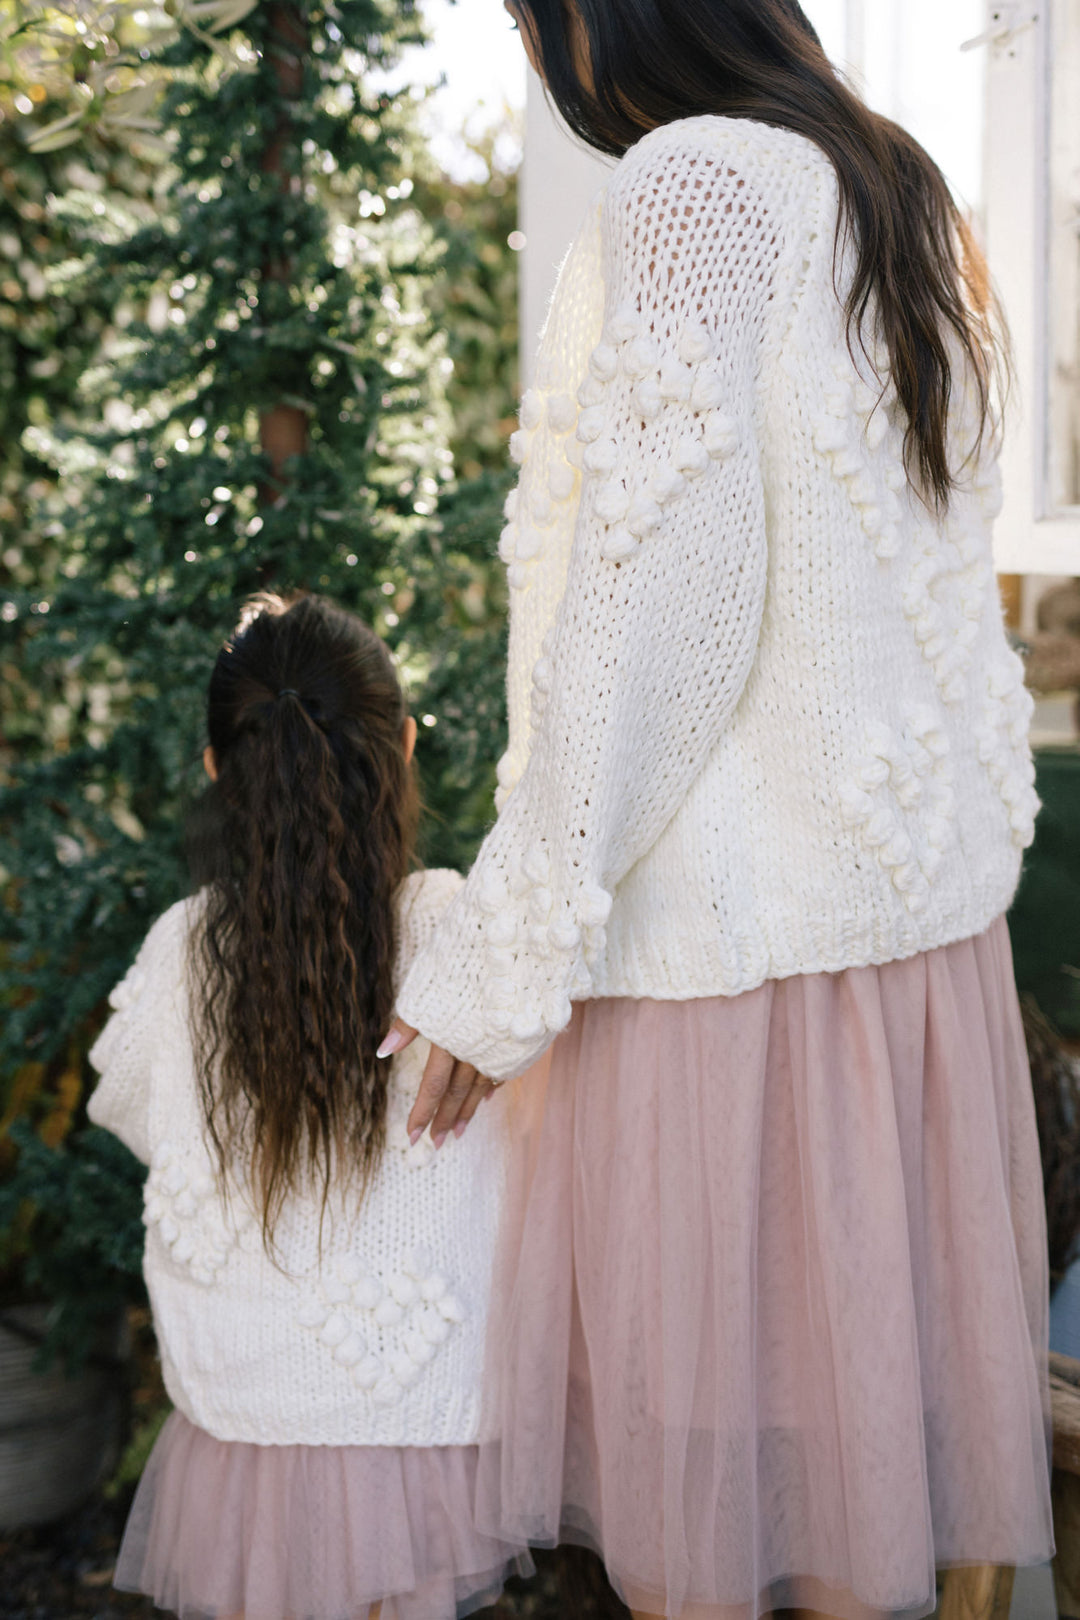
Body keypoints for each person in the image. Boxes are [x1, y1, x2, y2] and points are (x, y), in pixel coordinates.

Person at [378, 2, 1056, 1616]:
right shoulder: (893, 184)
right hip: (906, 964)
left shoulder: (697, 187)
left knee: (710, 1515)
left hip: (732, 971)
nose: (532, 54)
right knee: (851, 1494)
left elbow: (650, 613)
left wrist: (501, 960)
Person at [88, 593, 527, 1620]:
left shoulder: (181, 952)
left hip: (246, 1425)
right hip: (419, 1427)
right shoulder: (466, 938)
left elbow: (131, 1105)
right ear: (403, 745)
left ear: (216, 769)